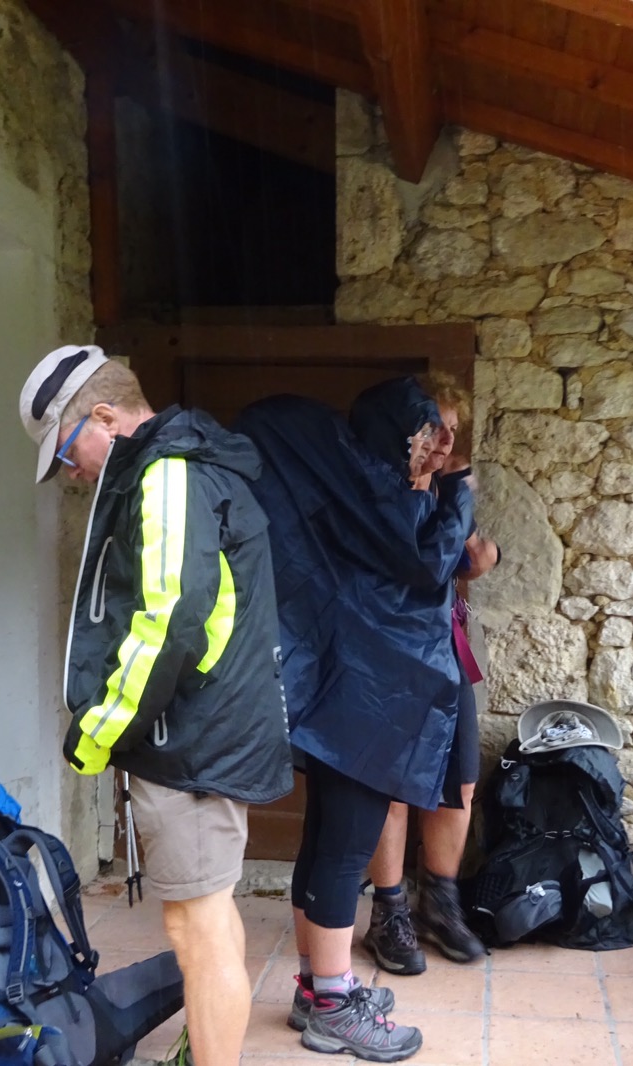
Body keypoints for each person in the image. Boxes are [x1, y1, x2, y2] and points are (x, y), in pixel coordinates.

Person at [19, 345, 293, 1066]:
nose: (71, 473)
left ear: (106, 418)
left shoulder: (167, 473)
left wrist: (99, 730)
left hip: (191, 741)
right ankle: (205, 1046)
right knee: (207, 918)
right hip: (208, 729)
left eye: (67, 450)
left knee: (197, 930)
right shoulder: (187, 463)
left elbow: (169, 619)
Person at [234, 377, 474, 1063]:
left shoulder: (350, 493)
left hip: (342, 694)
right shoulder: (382, 504)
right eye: (424, 434)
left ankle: (315, 988)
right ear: (397, 435)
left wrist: (429, 487)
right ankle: (335, 1007)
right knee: (343, 851)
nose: (434, 447)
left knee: (323, 843)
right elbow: (430, 564)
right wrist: (457, 487)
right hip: (369, 699)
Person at [363, 378, 499, 975]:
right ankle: (388, 913)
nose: (444, 441)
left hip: (444, 650)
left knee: (459, 778)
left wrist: (479, 552)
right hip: (388, 655)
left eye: (452, 431)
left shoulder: (448, 488)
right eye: (433, 428)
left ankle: (440, 904)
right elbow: (417, 563)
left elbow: (466, 558)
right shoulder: (377, 488)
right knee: (391, 786)